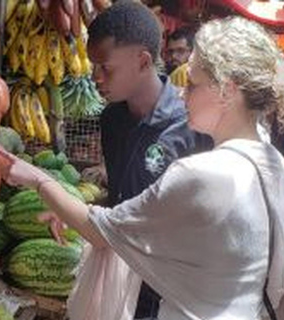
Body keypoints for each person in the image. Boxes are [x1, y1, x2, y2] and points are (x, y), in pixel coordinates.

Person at [0, 15, 284, 320]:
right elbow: (275, 281)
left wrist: (36, 179)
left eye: (194, 84)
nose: (183, 92)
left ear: (226, 91)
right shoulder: (279, 169)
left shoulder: (201, 173)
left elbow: (104, 232)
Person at [60, 2, 198, 318]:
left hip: (171, 291)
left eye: (105, 68)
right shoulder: (111, 120)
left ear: (143, 61)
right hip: (121, 278)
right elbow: (121, 198)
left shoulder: (189, 127)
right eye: (93, 66)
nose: (95, 77)